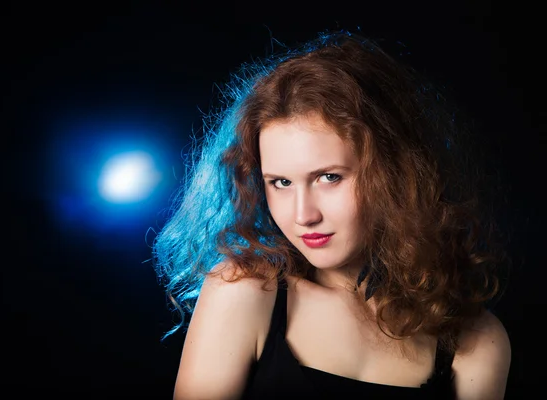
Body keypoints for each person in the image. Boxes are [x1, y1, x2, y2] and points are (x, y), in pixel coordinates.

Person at [152, 31, 511, 399]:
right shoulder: (244, 292)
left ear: (395, 174)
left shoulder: (475, 343)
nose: (303, 215)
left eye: (329, 177)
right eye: (280, 183)